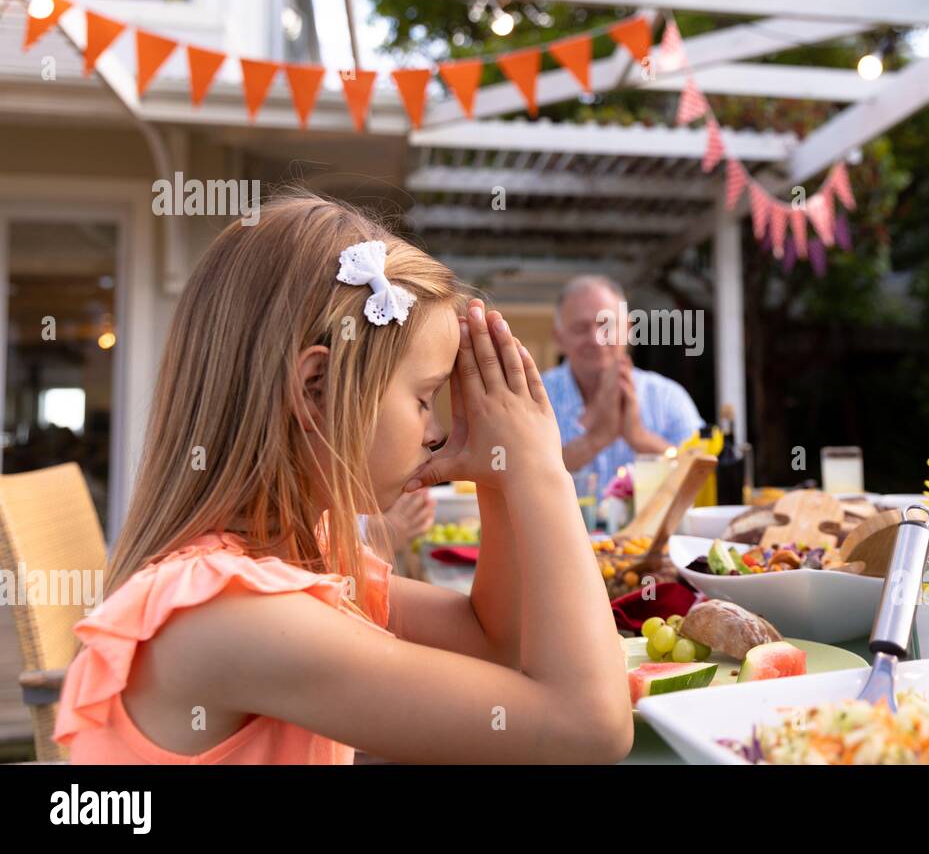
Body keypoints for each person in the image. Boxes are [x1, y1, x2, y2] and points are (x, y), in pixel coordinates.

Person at [53, 193, 632, 764]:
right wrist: (540, 469)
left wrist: (501, 480)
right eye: (426, 398)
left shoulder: (305, 555)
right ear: (316, 390)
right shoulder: (227, 615)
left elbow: (493, 645)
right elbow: (587, 730)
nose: (435, 432)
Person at [542, 276, 703, 494]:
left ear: (627, 328)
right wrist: (594, 440)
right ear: (558, 338)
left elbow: (703, 474)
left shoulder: (667, 396)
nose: (596, 338)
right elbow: (520, 475)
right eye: (580, 328)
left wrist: (639, 437)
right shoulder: (537, 396)